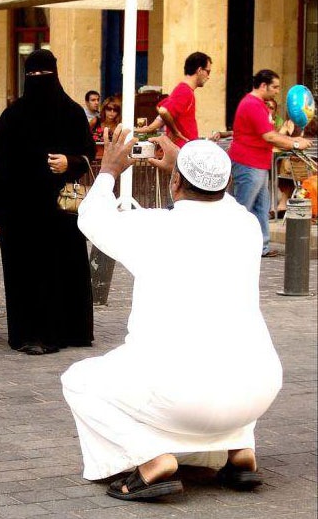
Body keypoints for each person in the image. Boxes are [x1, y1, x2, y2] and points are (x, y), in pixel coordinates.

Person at [63, 126, 283, 501]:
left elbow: (91, 218)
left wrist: (109, 171)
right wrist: (185, 167)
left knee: (79, 380)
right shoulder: (245, 226)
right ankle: (239, 450)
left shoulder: (154, 227)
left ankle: (151, 461)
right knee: (230, 361)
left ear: (177, 181)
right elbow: (217, 196)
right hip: (258, 391)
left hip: (182, 394)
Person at [0, 48, 95, 355]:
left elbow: (87, 153)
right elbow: (0, 164)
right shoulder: (12, 115)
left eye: (43, 75)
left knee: (58, 268)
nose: (38, 81)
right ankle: (28, 333)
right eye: (32, 75)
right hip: (21, 210)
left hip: (58, 209)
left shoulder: (72, 112)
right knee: (25, 271)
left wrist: (69, 161)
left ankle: (61, 331)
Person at [228, 69, 312, 257]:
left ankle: (262, 246)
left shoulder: (258, 105)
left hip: (257, 163)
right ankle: (234, 246)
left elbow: (270, 135)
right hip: (248, 163)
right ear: (263, 85)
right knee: (244, 207)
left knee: (261, 207)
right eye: (274, 87)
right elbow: (269, 136)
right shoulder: (252, 104)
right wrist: (296, 143)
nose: (277, 91)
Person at [135, 51, 212, 147]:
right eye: (208, 71)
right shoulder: (184, 91)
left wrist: (149, 128)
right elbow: (163, 111)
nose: (208, 76)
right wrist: (175, 131)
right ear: (199, 70)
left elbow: (161, 108)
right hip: (182, 149)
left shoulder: (182, 89)